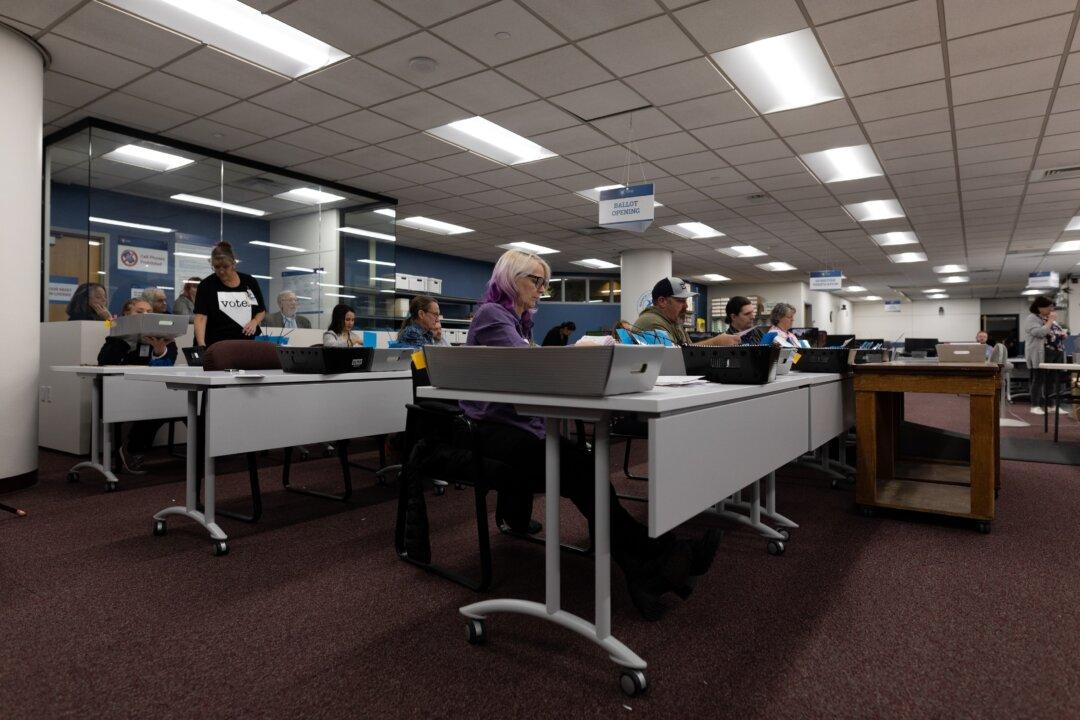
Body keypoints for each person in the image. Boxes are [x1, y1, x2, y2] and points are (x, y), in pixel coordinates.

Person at [461, 249, 720, 620]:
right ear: (509, 279)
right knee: (583, 470)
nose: (541, 289)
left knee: (587, 470)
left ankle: (646, 563)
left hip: (522, 424)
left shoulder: (520, 321)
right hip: (493, 430)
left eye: (544, 283)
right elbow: (530, 365)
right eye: (536, 281)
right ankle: (653, 556)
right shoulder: (492, 315)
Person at [96, 297, 177, 474]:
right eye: (139, 312)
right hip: (121, 388)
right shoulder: (117, 336)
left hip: (151, 390)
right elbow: (105, 361)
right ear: (127, 314)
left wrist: (158, 349)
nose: (145, 315)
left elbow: (170, 360)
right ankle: (129, 449)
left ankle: (204, 450)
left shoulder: (158, 333)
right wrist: (120, 334)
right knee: (153, 407)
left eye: (149, 312)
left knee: (176, 405)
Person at [192, 241, 266, 348]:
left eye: (225, 267)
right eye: (217, 267)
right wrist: (201, 345)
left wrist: (254, 322)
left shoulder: (249, 282)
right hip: (217, 345)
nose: (221, 271)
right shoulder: (207, 285)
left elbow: (261, 311)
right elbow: (201, 318)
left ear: (233, 264)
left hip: (247, 344)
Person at [632, 277, 737, 346]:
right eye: (681, 301)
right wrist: (715, 342)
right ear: (662, 301)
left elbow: (688, 349)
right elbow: (675, 358)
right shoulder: (651, 322)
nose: (686, 305)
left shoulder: (674, 322)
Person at [1023, 296, 1060, 416]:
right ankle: (1035, 406)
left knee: (1051, 380)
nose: (1051, 309)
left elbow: (1053, 332)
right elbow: (1039, 333)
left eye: (1052, 307)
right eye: (1049, 307)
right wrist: (1050, 321)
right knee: (1038, 380)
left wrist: (1061, 333)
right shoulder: (1031, 318)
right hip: (1039, 354)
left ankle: (1051, 405)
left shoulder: (1045, 318)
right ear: (1040, 307)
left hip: (1053, 353)